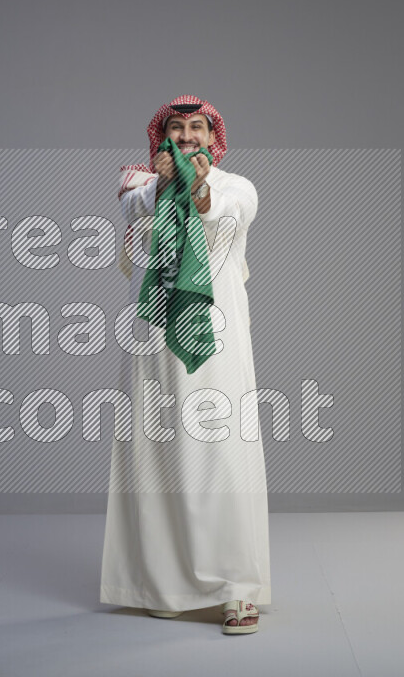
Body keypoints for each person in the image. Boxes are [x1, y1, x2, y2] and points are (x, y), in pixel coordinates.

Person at [100, 95, 271, 635]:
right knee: (154, 452)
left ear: (212, 136)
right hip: (152, 336)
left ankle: (235, 590)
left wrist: (195, 187)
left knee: (220, 451)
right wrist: (164, 183)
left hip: (214, 339)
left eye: (197, 127)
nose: (188, 135)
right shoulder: (137, 185)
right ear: (161, 136)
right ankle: (160, 583)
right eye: (178, 127)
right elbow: (138, 211)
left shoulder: (237, 186)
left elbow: (216, 212)